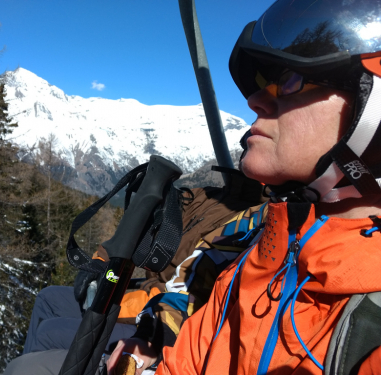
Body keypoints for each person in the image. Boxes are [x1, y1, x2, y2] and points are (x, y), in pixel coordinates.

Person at [107, 0, 381, 374]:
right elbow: (187, 363)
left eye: (290, 81)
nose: (255, 100)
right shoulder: (273, 244)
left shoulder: (369, 318)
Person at [3, 175, 267, 375]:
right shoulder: (208, 199)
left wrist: (122, 299)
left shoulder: (258, 226)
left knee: (47, 335)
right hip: (153, 297)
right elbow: (145, 225)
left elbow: (194, 296)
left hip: (160, 311)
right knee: (48, 298)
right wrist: (102, 262)